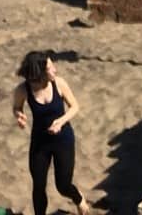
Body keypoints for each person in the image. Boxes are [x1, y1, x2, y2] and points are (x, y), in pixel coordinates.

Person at [12, 51, 91, 215]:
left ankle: (79, 199)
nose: (55, 70)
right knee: (38, 185)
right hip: (40, 142)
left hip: (63, 140)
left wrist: (61, 121)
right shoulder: (23, 89)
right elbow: (17, 107)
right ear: (39, 73)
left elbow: (75, 106)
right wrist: (19, 115)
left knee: (63, 185)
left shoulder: (59, 84)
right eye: (50, 68)